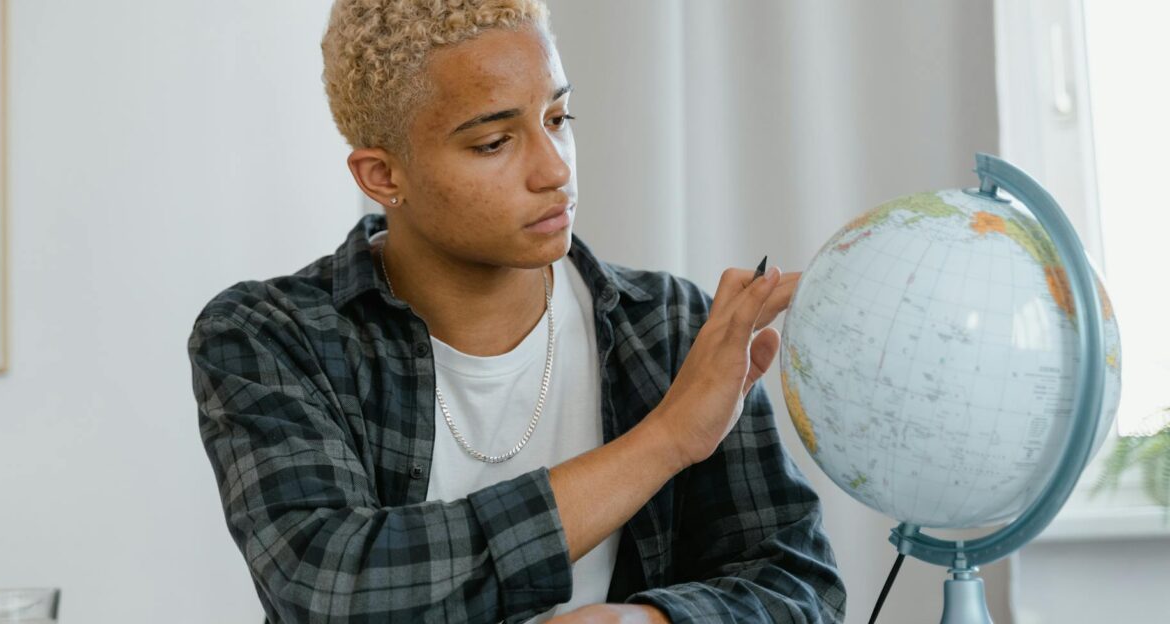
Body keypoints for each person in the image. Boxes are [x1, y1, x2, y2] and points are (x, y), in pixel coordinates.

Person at [187, 1, 846, 622]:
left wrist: (647, 619)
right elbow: (333, 591)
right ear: (383, 177)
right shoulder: (270, 337)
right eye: (494, 142)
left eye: (557, 120)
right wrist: (666, 440)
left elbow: (797, 584)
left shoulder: (669, 326)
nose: (553, 170)